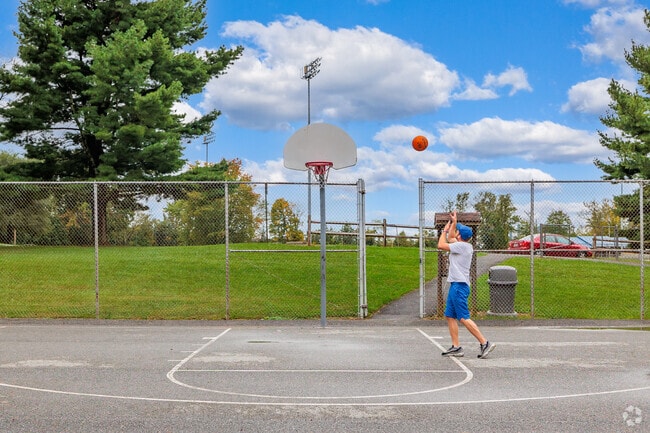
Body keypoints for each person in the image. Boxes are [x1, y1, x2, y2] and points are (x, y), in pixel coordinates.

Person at [437, 211, 495, 359]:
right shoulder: (462, 245)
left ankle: (484, 342)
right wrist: (453, 223)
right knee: (450, 316)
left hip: (459, 287)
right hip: (455, 285)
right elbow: (450, 237)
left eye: (457, 231)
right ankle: (456, 347)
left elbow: (441, 244)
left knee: (463, 317)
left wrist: (444, 230)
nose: (454, 233)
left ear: (460, 236)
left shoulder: (462, 247)